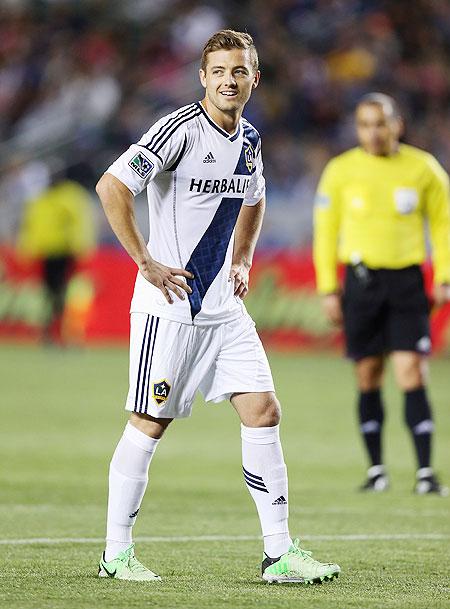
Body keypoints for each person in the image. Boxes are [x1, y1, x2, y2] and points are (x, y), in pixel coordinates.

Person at [95, 29, 340, 583]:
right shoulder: (178, 131)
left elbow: (254, 197)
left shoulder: (250, 139)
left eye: (239, 71)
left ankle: (278, 556)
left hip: (225, 311)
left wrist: (244, 258)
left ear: (255, 78)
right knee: (149, 423)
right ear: (202, 78)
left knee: (264, 411)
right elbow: (111, 187)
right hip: (171, 309)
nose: (229, 81)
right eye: (219, 72)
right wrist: (146, 261)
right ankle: (116, 553)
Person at [313, 93, 450, 495]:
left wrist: (443, 275)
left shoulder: (424, 168)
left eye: (380, 124)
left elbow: (443, 226)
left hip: (407, 282)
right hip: (360, 282)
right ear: (357, 128)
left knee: (412, 371)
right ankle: (377, 471)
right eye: (365, 125)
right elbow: (325, 233)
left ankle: (425, 472)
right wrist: (327, 288)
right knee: (368, 375)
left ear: (397, 125)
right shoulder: (340, 171)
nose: (373, 133)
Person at [17, 168, 95, 344]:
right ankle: (51, 332)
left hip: (65, 252)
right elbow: (31, 225)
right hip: (46, 252)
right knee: (51, 293)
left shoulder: (68, 197)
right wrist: (27, 248)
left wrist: (80, 247)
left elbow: (79, 224)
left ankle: (64, 333)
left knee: (62, 292)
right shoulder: (43, 198)